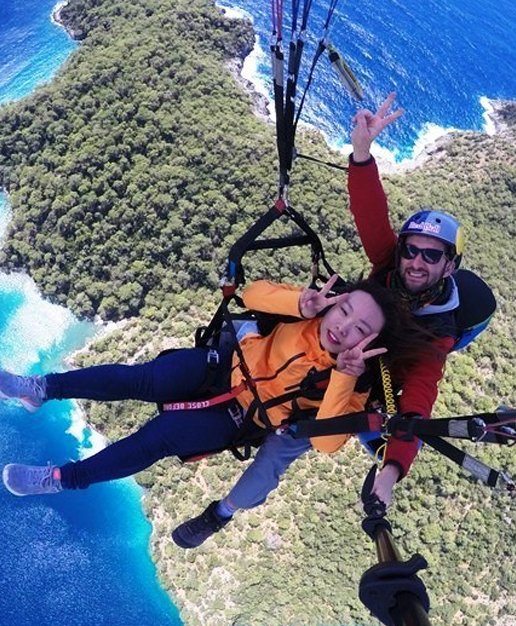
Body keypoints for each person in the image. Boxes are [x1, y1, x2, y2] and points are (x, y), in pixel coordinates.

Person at [181, 92, 491, 548]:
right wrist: (362, 155)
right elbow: (372, 220)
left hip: (355, 382)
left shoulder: (436, 337)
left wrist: (390, 471)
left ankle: (221, 512)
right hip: (327, 337)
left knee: (282, 449)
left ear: (450, 265)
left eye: (432, 255)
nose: (416, 262)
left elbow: (417, 405)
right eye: (412, 249)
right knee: (257, 322)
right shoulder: (391, 263)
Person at [0, 275, 418, 547]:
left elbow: (325, 442)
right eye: (344, 310)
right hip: (223, 366)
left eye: (360, 330)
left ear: (370, 345)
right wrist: (299, 303)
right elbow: (252, 293)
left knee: (159, 437)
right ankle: (43, 388)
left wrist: (344, 374)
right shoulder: (307, 314)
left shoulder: (355, 385)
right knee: (144, 378)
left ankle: (63, 478)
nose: (343, 326)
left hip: (242, 417)